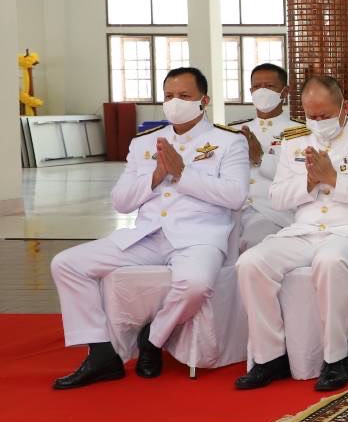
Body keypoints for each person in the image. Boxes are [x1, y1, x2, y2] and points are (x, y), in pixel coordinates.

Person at [50, 67, 246, 389]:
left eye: (184, 96)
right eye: (169, 96)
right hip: (149, 236)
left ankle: (153, 339)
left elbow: (236, 196)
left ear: (204, 100)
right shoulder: (143, 143)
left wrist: (182, 173)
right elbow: (121, 202)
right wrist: (155, 176)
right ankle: (101, 353)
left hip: (198, 238)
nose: (175, 102)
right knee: (67, 263)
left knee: (195, 284)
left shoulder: (228, 142)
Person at [233, 74, 348, 392]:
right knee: (250, 263)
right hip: (305, 230)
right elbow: (278, 198)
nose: (318, 123)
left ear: (344, 107)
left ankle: (335, 359)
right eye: (312, 116)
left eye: (325, 115)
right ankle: (270, 356)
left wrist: (334, 179)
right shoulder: (294, 140)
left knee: (330, 261)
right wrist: (309, 182)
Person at [230, 63, 302, 252]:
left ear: (285, 92)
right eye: (257, 87)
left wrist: (261, 158)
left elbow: (302, 179)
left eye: (269, 86)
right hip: (232, 211)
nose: (262, 91)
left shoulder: (300, 133)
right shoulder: (232, 131)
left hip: (271, 213)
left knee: (252, 248)